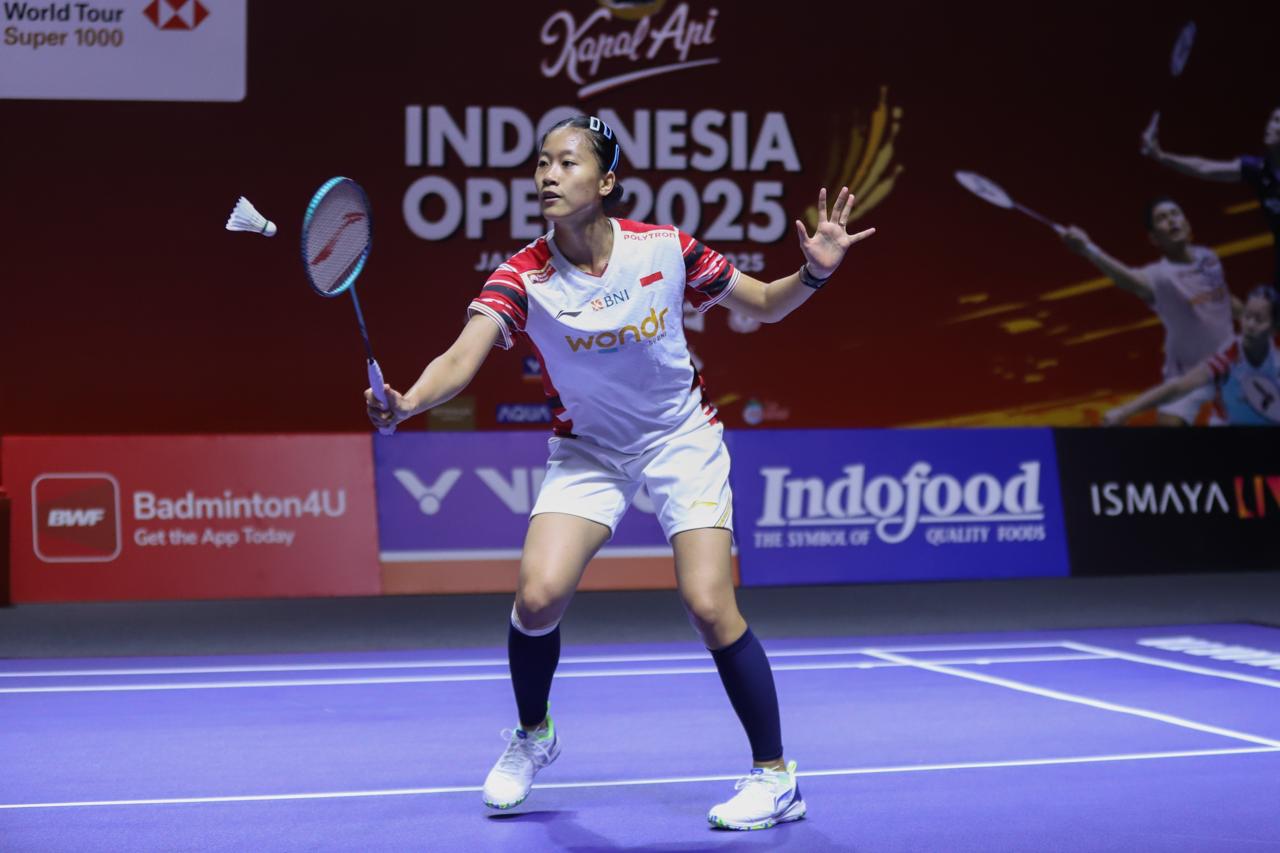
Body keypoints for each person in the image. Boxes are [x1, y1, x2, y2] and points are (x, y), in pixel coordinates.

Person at [366, 115, 875, 830]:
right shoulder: (524, 276)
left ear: (605, 181)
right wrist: (409, 402)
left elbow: (763, 303)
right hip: (590, 450)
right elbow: (460, 357)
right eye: (541, 162)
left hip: (680, 437)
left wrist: (815, 271)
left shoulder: (663, 249)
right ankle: (533, 734)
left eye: (567, 162)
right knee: (537, 597)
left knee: (709, 604)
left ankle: (775, 776)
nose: (548, 174)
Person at [1060, 197, 1237, 425]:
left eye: (1175, 214)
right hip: (1185, 372)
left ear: (1187, 224)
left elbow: (1223, 299)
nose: (1171, 220)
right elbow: (1127, 280)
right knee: (1165, 436)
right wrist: (1088, 249)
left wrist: (1258, 319)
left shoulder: (1208, 257)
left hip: (1228, 365)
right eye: (1162, 218)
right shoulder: (1159, 276)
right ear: (1154, 238)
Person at [1142, 106, 1280, 286]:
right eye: (1271, 119)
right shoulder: (1259, 170)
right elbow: (1205, 168)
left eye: (1277, 121)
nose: (1269, 125)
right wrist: (1161, 156)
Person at [1105, 285, 1280, 426]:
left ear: (1274, 328)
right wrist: (1125, 411)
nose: (1250, 325)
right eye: (1247, 317)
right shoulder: (1229, 356)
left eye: (1259, 320)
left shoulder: (1277, 361)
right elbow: (1178, 387)